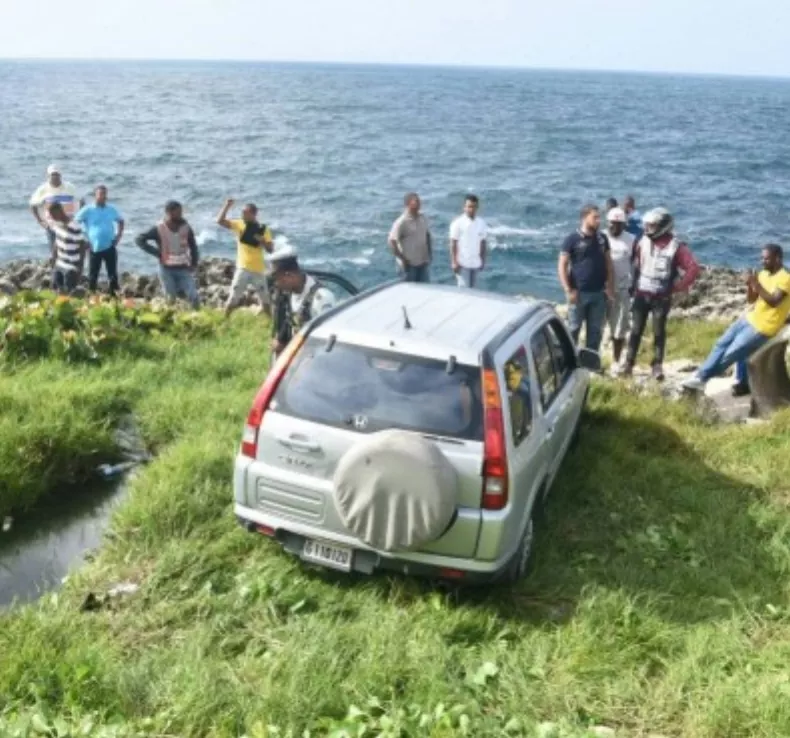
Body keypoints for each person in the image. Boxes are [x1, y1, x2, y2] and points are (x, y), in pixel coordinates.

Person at [682, 244, 790, 396]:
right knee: (722, 343)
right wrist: (749, 285)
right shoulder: (763, 274)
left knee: (733, 352)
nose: (762, 261)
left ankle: (702, 377)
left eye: (766, 259)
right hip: (750, 318)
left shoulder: (785, 278)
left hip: (764, 327)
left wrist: (755, 283)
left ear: (777, 259)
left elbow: (774, 301)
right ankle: (740, 382)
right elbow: (752, 300)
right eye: (761, 258)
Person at [622, 207, 700, 380]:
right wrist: (632, 285)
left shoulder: (676, 247)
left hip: (661, 297)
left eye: (652, 226)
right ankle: (629, 363)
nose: (647, 229)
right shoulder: (643, 241)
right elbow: (636, 264)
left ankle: (657, 365)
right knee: (635, 330)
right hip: (642, 293)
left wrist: (679, 287)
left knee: (658, 331)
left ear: (663, 226)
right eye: (647, 225)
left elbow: (693, 268)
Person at [558, 204, 615, 352]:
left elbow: (609, 263)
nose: (598, 221)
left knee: (595, 332)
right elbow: (562, 265)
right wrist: (568, 289)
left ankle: (591, 365)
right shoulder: (572, 239)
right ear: (584, 218)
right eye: (595, 217)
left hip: (598, 293)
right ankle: (569, 362)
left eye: (599, 217)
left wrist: (609, 287)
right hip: (579, 293)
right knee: (573, 329)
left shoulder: (602, 239)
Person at [269, 245, 336, 358]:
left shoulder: (321, 298)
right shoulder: (290, 293)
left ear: (288, 276)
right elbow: (289, 320)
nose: (276, 284)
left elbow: (328, 343)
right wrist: (281, 342)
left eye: (277, 279)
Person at [135, 201, 200, 309]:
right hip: (166, 270)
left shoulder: (186, 227)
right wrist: (157, 253)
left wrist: (194, 263)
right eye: (178, 212)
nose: (181, 214)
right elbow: (139, 240)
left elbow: (193, 246)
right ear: (168, 212)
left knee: (193, 295)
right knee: (171, 298)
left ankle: (198, 317)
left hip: (183, 268)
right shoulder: (159, 228)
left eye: (181, 212)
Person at [216, 198, 274, 316]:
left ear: (253, 214)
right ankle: (224, 321)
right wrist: (227, 206)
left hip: (258, 269)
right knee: (233, 297)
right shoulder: (239, 224)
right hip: (243, 268)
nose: (242, 214)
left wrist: (262, 241)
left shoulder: (264, 229)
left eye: (245, 212)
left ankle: (269, 324)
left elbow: (270, 249)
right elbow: (220, 221)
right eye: (242, 212)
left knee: (265, 301)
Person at [75, 185, 124, 296]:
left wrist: (118, 236)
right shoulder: (88, 210)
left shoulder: (111, 209)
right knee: (93, 275)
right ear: (95, 195)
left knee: (112, 274)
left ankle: (114, 297)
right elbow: (76, 222)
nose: (103, 196)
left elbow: (121, 221)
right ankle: (91, 297)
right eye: (101, 194)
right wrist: (84, 238)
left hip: (109, 246)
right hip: (94, 248)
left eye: (105, 194)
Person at [605, 207, 636, 365]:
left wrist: (634, 286)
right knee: (600, 325)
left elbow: (635, 264)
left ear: (624, 225)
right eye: (612, 223)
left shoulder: (631, 239)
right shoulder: (601, 237)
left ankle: (616, 361)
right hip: (603, 289)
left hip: (623, 289)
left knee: (620, 327)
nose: (615, 227)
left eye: (619, 224)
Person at [30, 165, 83, 250]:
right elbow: (33, 205)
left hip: (68, 226)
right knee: (54, 252)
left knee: (68, 251)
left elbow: (81, 201)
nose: (55, 177)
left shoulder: (70, 187)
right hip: (52, 227)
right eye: (53, 174)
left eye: (57, 174)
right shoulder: (43, 189)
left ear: (60, 175)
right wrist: (40, 221)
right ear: (48, 176)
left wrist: (78, 218)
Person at [389, 192, 432, 283]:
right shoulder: (401, 222)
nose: (419, 203)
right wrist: (402, 259)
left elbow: (427, 235)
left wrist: (429, 253)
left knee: (426, 289)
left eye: (419, 201)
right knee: (410, 292)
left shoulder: (422, 218)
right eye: (416, 201)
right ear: (408, 204)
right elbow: (392, 241)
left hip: (422, 263)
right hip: (409, 266)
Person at [47, 202, 88, 295]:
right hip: (59, 264)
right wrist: (53, 261)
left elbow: (82, 247)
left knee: (68, 294)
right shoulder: (57, 224)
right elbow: (56, 243)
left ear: (60, 212)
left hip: (71, 267)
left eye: (53, 215)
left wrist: (80, 269)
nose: (52, 217)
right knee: (56, 291)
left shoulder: (74, 226)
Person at [449, 194, 487, 288]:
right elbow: (453, 243)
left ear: (477, 207)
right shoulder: (457, 223)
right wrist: (454, 262)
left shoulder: (481, 223)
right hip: (462, 263)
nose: (471, 209)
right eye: (469, 206)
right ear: (464, 207)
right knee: (464, 292)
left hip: (476, 263)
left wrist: (483, 260)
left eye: (474, 207)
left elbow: (483, 242)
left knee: (474, 291)